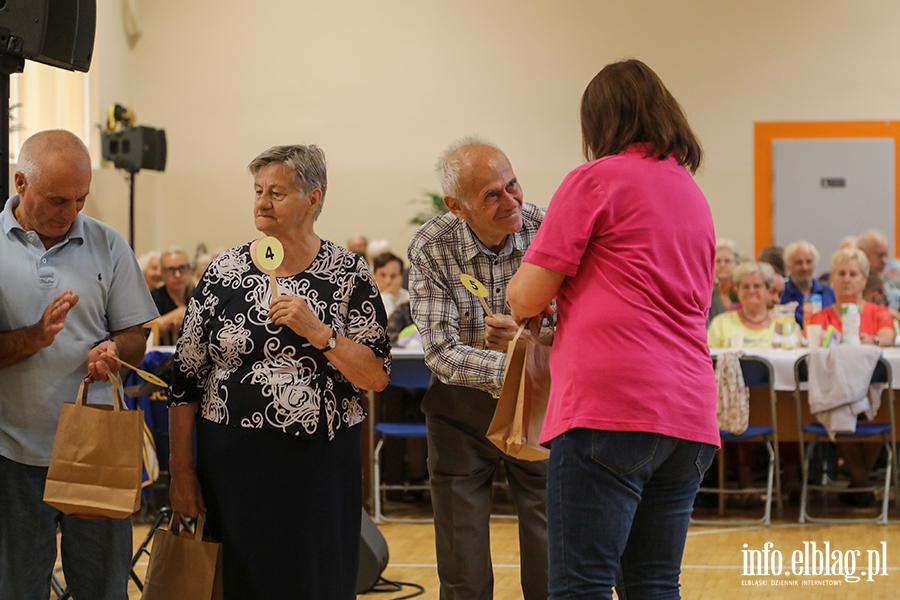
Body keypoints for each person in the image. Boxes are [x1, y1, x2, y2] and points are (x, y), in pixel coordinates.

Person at [506, 59, 718, 599]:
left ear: (598, 122)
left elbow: (525, 295)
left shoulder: (596, 179)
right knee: (653, 583)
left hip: (612, 404)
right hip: (689, 413)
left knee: (583, 584)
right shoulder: (692, 193)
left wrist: (541, 301)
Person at [168, 144, 390, 600]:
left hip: (319, 464)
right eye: (258, 191)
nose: (262, 203)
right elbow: (185, 379)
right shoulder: (222, 272)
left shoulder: (348, 273)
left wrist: (319, 332)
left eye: (277, 193)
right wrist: (181, 470)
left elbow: (375, 376)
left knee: (315, 578)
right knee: (239, 582)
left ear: (313, 198)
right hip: (233, 462)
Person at [0, 130, 158, 600]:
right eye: (57, 199)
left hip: (97, 452)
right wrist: (34, 338)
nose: (70, 212)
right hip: (14, 454)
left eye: (80, 200)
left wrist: (114, 352)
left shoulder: (108, 244)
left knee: (104, 590)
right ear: (21, 182)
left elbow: (137, 336)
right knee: (17, 590)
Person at [408, 136, 549, 600]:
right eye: (492, 194)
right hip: (459, 414)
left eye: (513, 185)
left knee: (551, 550)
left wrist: (528, 346)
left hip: (539, 407)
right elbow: (441, 352)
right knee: (462, 562)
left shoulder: (545, 228)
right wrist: (510, 364)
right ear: (457, 205)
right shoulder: (432, 245)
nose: (511, 201)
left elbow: (578, 325)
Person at [808, 247, 894, 507]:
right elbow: (814, 344)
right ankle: (862, 481)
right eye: (841, 273)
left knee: (876, 412)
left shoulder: (878, 312)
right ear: (832, 279)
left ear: (864, 279)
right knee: (841, 404)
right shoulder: (820, 316)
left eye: (853, 273)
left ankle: (859, 480)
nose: (847, 279)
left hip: (875, 394)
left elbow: (889, 337)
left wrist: (876, 339)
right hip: (838, 392)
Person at [708, 262, 778, 348]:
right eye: (745, 286)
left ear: (769, 291)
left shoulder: (782, 324)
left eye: (757, 286)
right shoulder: (720, 324)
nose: (751, 291)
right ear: (737, 291)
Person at [781, 239, 835, 327]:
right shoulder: (782, 294)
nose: (804, 267)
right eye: (798, 263)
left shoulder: (829, 293)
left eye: (809, 262)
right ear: (788, 266)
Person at [150, 247, 194, 345]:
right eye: (171, 270)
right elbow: (151, 329)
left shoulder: (199, 294)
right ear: (162, 273)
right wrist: (179, 313)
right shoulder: (154, 297)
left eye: (182, 268)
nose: (177, 275)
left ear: (189, 269)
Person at [707, 239, 739, 326]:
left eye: (727, 261)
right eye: (718, 261)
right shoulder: (707, 294)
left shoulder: (744, 291)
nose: (722, 265)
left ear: (737, 264)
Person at [373, 251, 409, 317]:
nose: (388, 281)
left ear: (401, 277)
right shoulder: (366, 300)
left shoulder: (409, 300)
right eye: (383, 275)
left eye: (393, 276)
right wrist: (386, 295)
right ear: (373, 275)